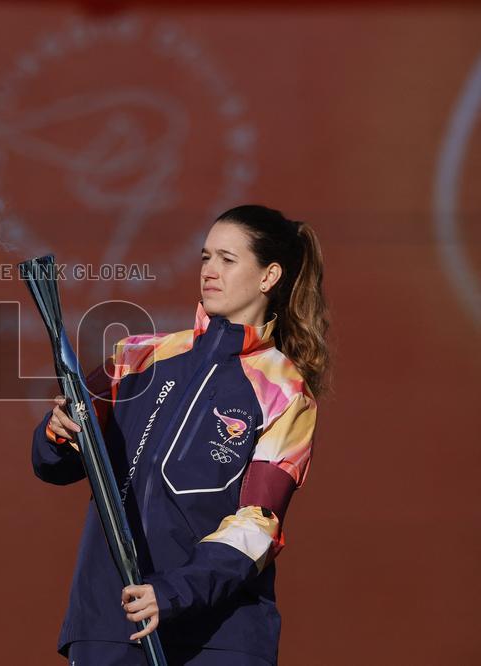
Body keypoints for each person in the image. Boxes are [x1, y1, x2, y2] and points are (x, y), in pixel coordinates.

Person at [34, 205, 328, 665]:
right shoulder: (137, 356)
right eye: (205, 257)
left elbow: (258, 524)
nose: (209, 270)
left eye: (227, 259)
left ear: (269, 276)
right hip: (111, 622)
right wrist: (57, 433)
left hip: (218, 637)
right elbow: (56, 461)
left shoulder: (285, 390)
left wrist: (173, 591)